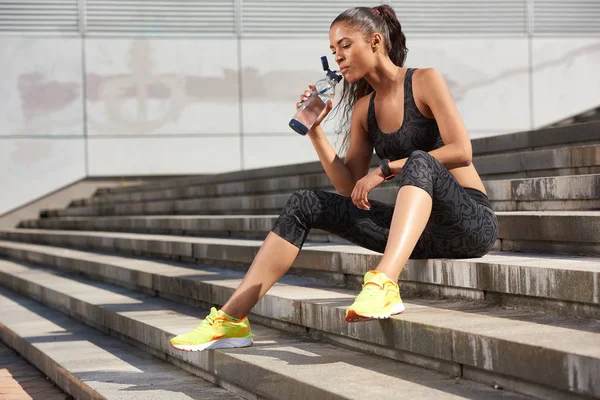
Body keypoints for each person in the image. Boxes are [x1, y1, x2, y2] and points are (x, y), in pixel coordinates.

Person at [169, 4, 499, 352]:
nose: (338, 57)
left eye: (345, 45)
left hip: (469, 223)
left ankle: (384, 283)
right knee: (304, 203)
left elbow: (462, 150)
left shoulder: (423, 80)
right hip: (420, 235)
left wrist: (385, 169)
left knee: (418, 161)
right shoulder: (364, 109)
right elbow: (348, 187)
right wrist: (316, 132)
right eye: (332, 51)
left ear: (374, 41)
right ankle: (231, 320)